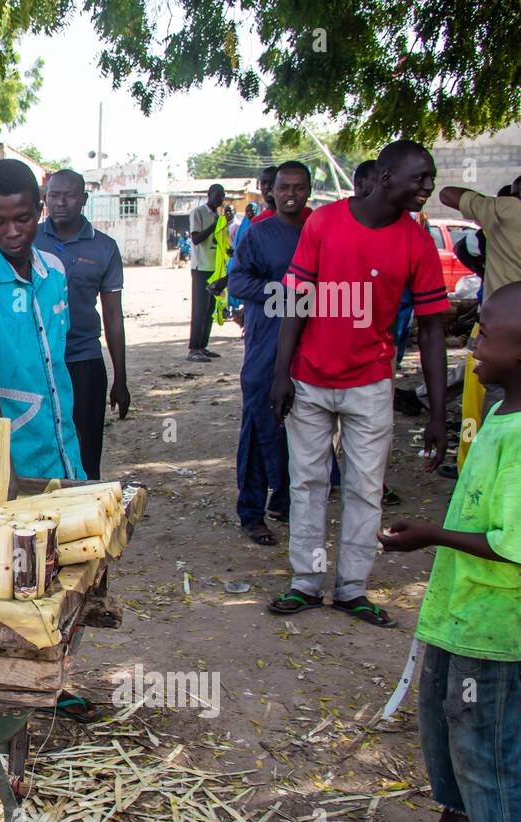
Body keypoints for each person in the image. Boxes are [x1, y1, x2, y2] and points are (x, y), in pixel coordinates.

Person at [268, 139, 450, 628]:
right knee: (306, 483)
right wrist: (281, 373)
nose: (427, 188)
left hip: (371, 384)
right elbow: (295, 300)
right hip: (308, 380)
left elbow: (433, 328)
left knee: (364, 488)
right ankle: (306, 583)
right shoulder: (325, 223)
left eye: (430, 179)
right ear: (387, 177)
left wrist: (437, 414)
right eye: (420, 178)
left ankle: (351, 589)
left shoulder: (416, 241)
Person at [373, 281, 521, 822]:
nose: (474, 340)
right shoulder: (499, 407)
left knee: (485, 746)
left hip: (495, 626)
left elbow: (514, 543)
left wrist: (432, 536)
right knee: (441, 716)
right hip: (458, 611)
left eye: (487, 332)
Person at [0, 158, 84, 484]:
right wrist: (0, 464)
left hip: (62, 449)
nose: (11, 233)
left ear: (40, 210)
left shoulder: (54, 272)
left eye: (22, 219)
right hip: (11, 462)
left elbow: (57, 360)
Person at [228, 161, 312, 546]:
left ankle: (287, 501)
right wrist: (283, 292)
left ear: (309, 189)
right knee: (261, 421)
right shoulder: (259, 233)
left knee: (306, 425)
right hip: (268, 340)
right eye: (284, 187)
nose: (291, 194)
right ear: (272, 191)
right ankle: (251, 512)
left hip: (311, 341)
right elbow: (239, 280)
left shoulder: (319, 227)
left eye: (298, 187)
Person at [34, 168, 129, 479]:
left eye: (69, 195)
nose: (60, 202)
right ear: (44, 198)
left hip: (83, 362)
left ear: (84, 199)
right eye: (53, 195)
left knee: (86, 454)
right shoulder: (29, 241)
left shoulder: (104, 248)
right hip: (36, 362)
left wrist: (121, 378)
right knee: (40, 450)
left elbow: (113, 314)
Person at [440, 172, 521, 469]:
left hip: (504, 328)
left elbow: (447, 193)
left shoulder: (508, 211)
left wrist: (490, 206)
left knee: (494, 402)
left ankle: (483, 471)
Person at [187, 183, 225, 362]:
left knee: (209, 309)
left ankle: (202, 346)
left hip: (214, 268)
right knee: (199, 309)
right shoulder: (198, 213)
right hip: (201, 268)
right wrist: (214, 225)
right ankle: (193, 348)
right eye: (218, 195)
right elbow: (196, 239)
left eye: (223, 195)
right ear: (209, 194)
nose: (221, 198)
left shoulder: (218, 215)